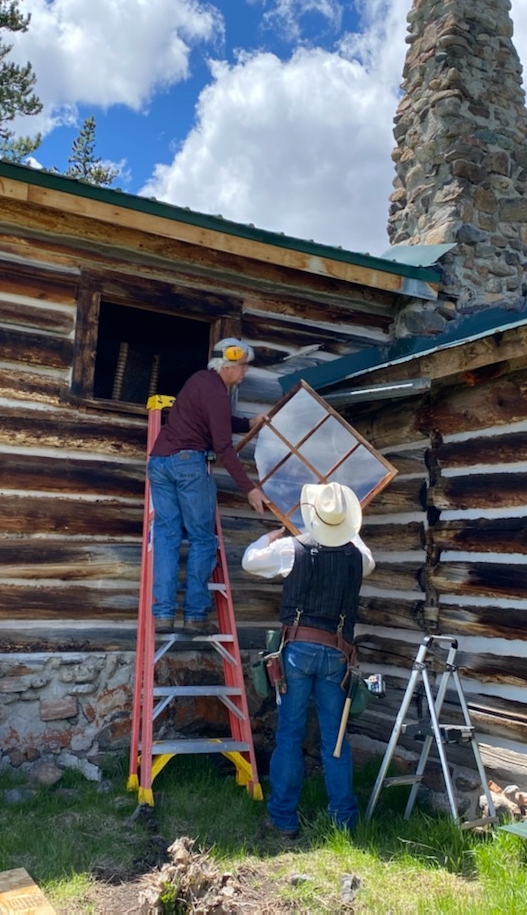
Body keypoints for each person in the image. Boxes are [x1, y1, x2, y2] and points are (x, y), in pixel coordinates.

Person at [241, 481, 374, 837]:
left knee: (289, 735)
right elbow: (364, 552)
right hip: (337, 654)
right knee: (336, 739)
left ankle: (284, 818)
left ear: (312, 514)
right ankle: (343, 822)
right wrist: (349, 528)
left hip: (297, 651)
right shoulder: (358, 557)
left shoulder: (290, 549)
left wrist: (267, 538)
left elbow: (249, 562)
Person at [148, 337, 267, 636]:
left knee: (166, 536)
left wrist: (249, 422)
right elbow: (224, 447)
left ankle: (163, 615)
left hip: (159, 462)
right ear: (227, 366)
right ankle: (195, 616)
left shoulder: (200, 381)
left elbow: (217, 422)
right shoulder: (217, 393)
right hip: (188, 463)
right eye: (243, 367)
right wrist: (250, 488)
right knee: (202, 539)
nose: (245, 372)